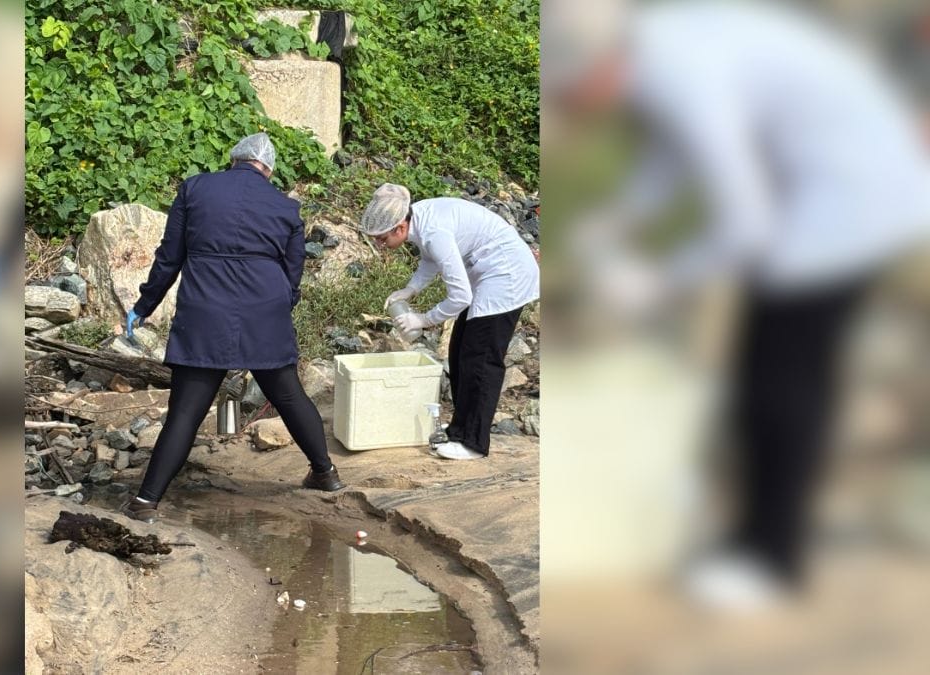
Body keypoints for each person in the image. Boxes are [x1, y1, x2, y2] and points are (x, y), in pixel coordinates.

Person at [548, 0, 930, 607]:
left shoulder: (679, 69)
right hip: (819, 178)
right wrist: (618, 223)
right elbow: (670, 159)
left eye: (572, 102)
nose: (581, 116)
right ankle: (738, 519)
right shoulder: (654, 53)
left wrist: (658, 278)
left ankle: (770, 557)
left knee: (778, 374)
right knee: (757, 363)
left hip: (853, 197)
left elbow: (744, 223)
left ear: (595, 73)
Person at [120, 133, 344, 523]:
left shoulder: (195, 189)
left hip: (205, 310)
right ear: (268, 169)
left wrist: (144, 304)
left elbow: (169, 257)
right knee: (289, 395)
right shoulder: (285, 207)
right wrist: (277, 309)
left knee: (186, 412)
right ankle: (325, 474)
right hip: (266, 311)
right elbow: (293, 276)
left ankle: (145, 501)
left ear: (234, 160)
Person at [361, 184, 540, 461]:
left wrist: (423, 320)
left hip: (507, 275)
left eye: (382, 239)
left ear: (399, 227)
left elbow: (459, 297)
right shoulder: (418, 219)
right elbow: (430, 260)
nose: (379, 245)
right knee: (458, 354)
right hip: (486, 272)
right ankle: (460, 428)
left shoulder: (433, 232)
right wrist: (411, 289)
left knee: (480, 359)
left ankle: (473, 442)